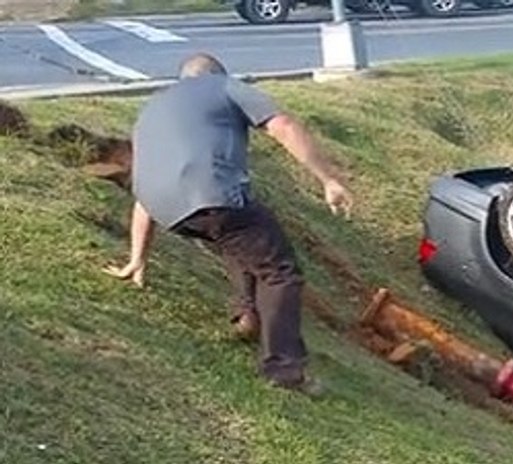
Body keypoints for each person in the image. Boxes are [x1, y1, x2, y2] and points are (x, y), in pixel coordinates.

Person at [103, 52, 352, 393]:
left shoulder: (151, 110)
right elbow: (284, 126)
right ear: (217, 74)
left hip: (167, 210)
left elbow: (144, 192)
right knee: (279, 272)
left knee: (238, 239)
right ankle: (283, 370)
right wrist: (328, 179)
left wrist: (137, 258)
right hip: (212, 195)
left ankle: (247, 316)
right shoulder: (224, 86)